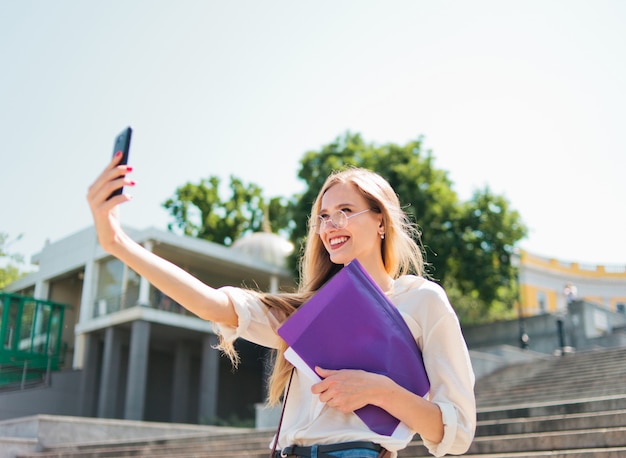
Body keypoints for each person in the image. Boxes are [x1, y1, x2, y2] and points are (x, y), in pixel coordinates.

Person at [87, 153, 476, 457]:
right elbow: (212, 303)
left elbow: (456, 431)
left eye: (345, 211)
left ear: (381, 222)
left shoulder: (422, 301)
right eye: (323, 216)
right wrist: (117, 243)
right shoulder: (309, 312)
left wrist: (380, 391)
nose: (330, 225)